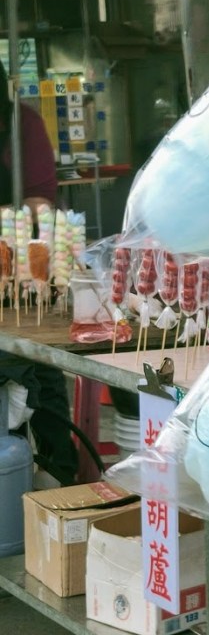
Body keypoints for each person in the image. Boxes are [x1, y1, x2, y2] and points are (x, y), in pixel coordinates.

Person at [0, 57, 78, 485]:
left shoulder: (21, 124)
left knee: (39, 373)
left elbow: (39, 202)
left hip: (22, 277)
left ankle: (57, 477)